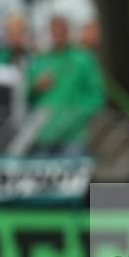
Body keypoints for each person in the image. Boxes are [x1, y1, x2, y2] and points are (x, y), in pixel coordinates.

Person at [26, 15, 105, 155]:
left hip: (73, 136)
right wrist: (35, 88)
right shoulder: (40, 61)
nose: (58, 34)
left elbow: (96, 96)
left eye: (62, 30)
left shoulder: (83, 59)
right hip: (44, 135)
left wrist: (76, 116)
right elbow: (27, 98)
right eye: (54, 30)